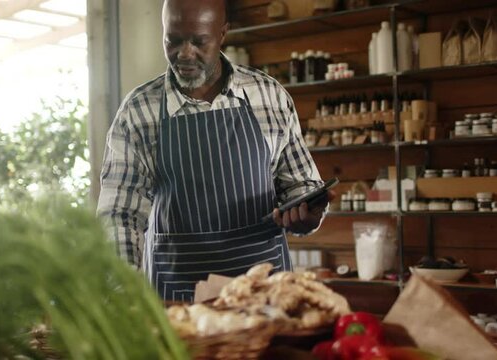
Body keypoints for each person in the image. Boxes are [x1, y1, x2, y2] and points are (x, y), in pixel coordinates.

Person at [97, 0, 330, 302]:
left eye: (198, 41)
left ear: (222, 34)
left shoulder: (269, 96)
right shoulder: (139, 109)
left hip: (264, 295)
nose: (184, 53)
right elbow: (120, 214)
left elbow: (301, 184)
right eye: (173, 40)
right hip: (177, 297)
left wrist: (307, 213)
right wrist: (124, 290)